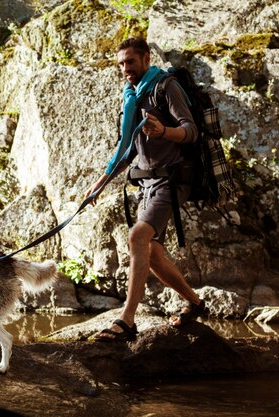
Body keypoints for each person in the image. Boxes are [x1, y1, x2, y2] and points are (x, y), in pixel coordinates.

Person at [85, 37, 205, 342]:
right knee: (152, 254)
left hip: (172, 179)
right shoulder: (132, 97)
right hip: (148, 183)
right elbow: (128, 152)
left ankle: (127, 319)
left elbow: (190, 131)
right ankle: (195, 303)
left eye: (131, 62)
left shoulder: (166, 87)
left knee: (137, 236)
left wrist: (164, 131)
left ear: (146, 59)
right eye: (121, 64)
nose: (126, 68)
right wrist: (99, 184)